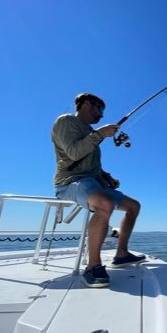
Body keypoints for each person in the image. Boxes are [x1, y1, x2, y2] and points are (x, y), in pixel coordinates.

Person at [51, 93, 145, 288]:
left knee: (134, 206)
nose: (102, 115)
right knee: (105, 203)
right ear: (86, 104)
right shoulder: (66, 121)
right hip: (69, 182)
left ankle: (121, 254)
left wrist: (107, 177)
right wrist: (101, 133)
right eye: (99, 108)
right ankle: (93, 266)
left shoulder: (92, 132)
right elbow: (74, 153)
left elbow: (92, 166)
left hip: (94, 183)